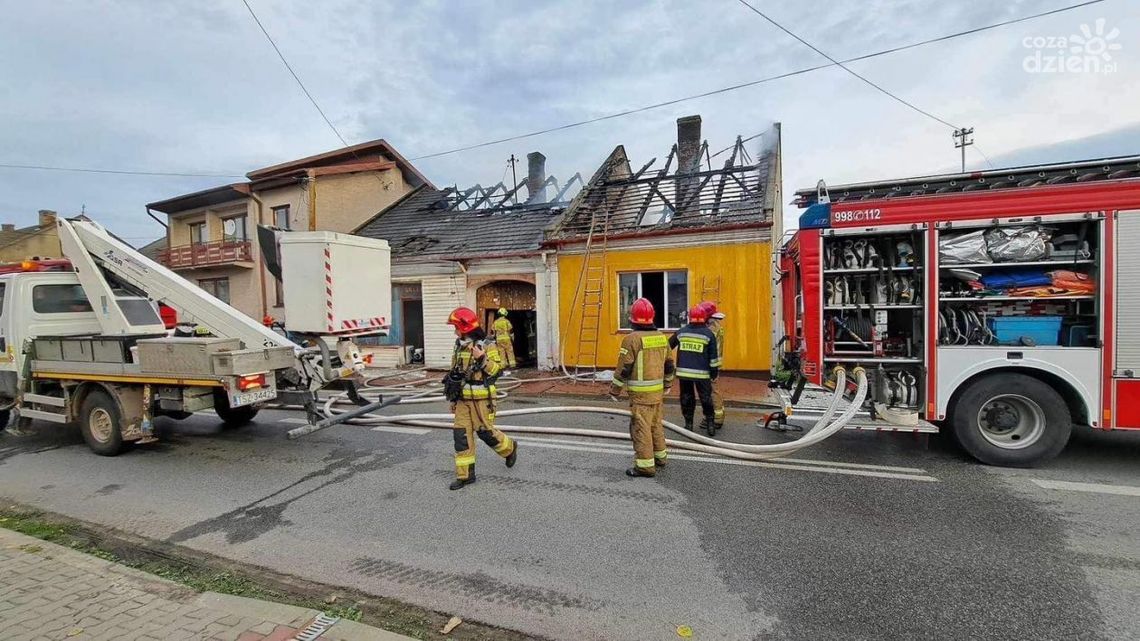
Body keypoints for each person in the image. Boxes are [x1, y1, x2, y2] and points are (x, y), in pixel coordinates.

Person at [444, 307, 518, 490]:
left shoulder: (487, 345)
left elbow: (497, 371)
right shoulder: (458, 345)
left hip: (482, 399)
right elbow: (454, 372)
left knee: (485, 432)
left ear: (465, 327)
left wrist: (482, 358)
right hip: (462, 400)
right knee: (461, 436)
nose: (455, 331)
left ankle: (509, 448)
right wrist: (453, 399)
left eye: (456, 327)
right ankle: (465, 475)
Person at [610, 298, 675, 478]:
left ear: (632, 319)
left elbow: (624, 368)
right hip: (657, 393)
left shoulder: (631, 339)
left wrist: (615, 390)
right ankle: (660, 457)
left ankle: (645, 467)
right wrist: (668, 385)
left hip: (640, 396)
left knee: (641, 429)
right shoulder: (661, 337)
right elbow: (670, 365)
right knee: (656, 425)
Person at [670, 304, 719, 436]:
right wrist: (714, 372)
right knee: (706, 399)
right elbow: (713, 357)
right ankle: (710, 425)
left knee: (686, 398)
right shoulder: (709, 334)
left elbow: (668, 346)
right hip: (703, 374)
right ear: (704, 318)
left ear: (689, 317)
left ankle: (688, 425)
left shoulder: (681, 332)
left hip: (684, 373)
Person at [702, 301, 727, 430]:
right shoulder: (717, 325)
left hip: (711, 364)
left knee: (712, 391)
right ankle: (715, 416)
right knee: (712, 390)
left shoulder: (711, 328)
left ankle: (716, 419)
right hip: (715, 363)